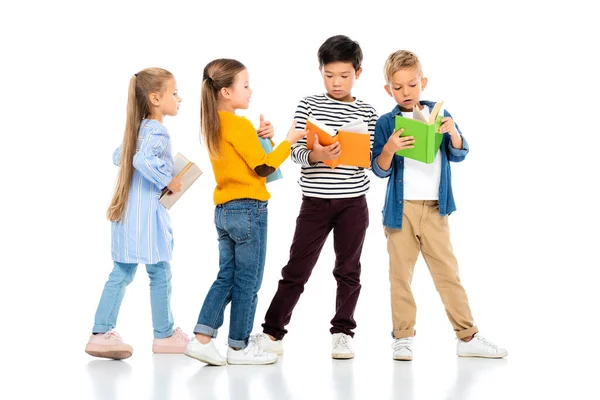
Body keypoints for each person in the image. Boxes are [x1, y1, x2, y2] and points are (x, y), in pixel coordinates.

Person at [371, 50, 507, 360]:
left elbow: (460, 154)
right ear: (388, 90)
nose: (406, 92)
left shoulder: (439, 115)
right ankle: (403, 337)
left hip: (435, 209)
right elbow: (379, 169)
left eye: (412, 84)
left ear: (423, 82)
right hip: (400, 211)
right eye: (398, 87)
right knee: (399, 277)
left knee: (448, 274)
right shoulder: (386, 122)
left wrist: (453, 132)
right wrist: (391, 148)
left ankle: (467, 336)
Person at [255, 35, 378, 359]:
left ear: (358, 74)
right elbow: (294, 150)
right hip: (315, 203)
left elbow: (372, 157)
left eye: (344, 76)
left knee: (348, 270)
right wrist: (318, 154)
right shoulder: (309, 105)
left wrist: (357, 151)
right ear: (320, 71)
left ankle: (342, 332)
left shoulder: (367, 111)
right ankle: (272, 333)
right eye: (329, 75)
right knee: (296, 268)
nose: (336, 83)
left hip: (353, 203)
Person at [184, 58, 306, 366]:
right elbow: (263, 167)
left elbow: (248, 160)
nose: (251, 91)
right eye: (246, 85)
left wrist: (263, 138)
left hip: (224, 210)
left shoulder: (214, 124)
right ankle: (238, 347)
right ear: (225, 91)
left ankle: (201, 339)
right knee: (248, 281)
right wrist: (289, 142)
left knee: (227, 276)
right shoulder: (237, 125)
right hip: (249, 210)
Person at [85, 68, 189, 360]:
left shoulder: (138, 129)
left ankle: (100, 333)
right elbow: (140, 159)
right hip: (145, 220)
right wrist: (167, 180)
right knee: (160, 273)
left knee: (122, 272)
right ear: (156, 98)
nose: (180, 98)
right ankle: (165, 334)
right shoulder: (157, 130)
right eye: (175, 92)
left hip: (127, 216)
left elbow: (119, 156)